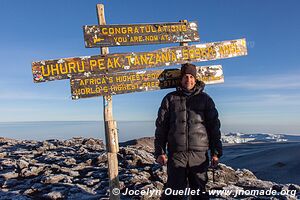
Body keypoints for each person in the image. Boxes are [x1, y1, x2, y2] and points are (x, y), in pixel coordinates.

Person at [154, 63, 222, 200]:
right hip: (176, 155)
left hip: (199, 155)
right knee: (174, 193)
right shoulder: (170, 98)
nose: (188, 80)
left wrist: (215, 152)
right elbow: (161, 127)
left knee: (199, 193)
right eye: (186, 76)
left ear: (195, 79)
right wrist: (160, 151)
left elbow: (214, 127)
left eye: (191, 77)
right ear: (181, 79)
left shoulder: (206, 99)